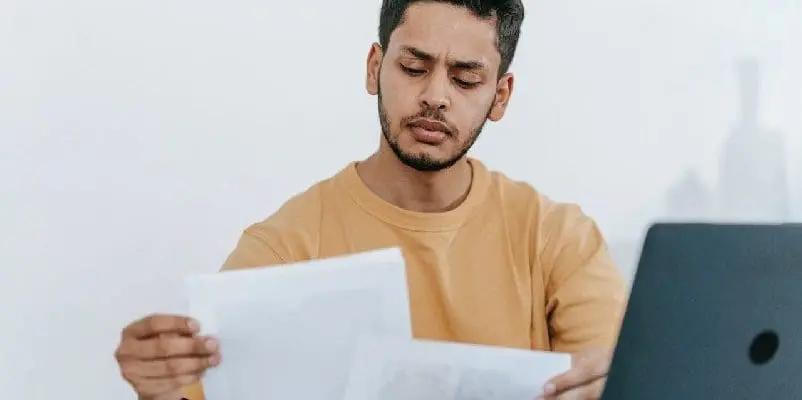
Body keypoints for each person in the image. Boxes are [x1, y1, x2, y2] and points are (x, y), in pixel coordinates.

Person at [113, 0, 628, 399]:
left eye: (466, 78)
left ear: (500, 96)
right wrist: (156, 391)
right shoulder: (282, 251)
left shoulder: (558, 239)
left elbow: (621, 380)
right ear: (373, 67)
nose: (436, 96)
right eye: (413, 67)